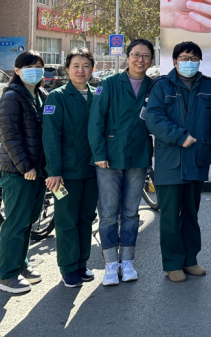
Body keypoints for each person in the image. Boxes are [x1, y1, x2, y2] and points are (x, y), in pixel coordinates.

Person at [146, 41, 211, 283]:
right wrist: (180, 137)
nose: (189, 62)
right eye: (184, 58)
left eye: (194, 58)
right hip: (170, 161)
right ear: (175, 61)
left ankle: (190, 260)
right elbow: (153, 118)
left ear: (199, 61)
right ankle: (172, 264)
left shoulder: (209, 86)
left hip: (197, 161)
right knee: (169, 216)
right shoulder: (161, 86)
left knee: (190, 214)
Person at [88, 39, 156, 287]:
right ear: (128, 57)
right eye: (136, 54)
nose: (140, 60)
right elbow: (96, 120)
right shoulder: (108, 84)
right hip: (109, 158)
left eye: (146, 56)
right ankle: (110, 264)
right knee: (108, 214)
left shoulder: (154, 86)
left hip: (138, 157)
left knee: (130, 213)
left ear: (151, 60)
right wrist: (99, 153)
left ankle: (127, 261)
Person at [42, 48, 98, 288]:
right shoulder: (57, 97)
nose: (80, 70)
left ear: (93, 69)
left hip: (92, 170)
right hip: (65, 173)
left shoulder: (98, 95)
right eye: (75, 66)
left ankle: (81, 263)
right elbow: (50, 136)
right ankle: (68, 267)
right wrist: (53, 171)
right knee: (66, 220)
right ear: (67, 69)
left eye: (85, 66)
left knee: (86, 218)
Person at [0, 51, 49, 295]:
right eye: (29, 67)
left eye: (38, 66)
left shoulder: (40, 95)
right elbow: (10, 137)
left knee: (28, 220)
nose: (34, 71)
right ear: (17, 71)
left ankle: (21, 265)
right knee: (15, 222)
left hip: (38, 170)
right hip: (20, 171)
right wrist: (25, 166)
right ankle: (7, 275)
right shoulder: (11, 97)